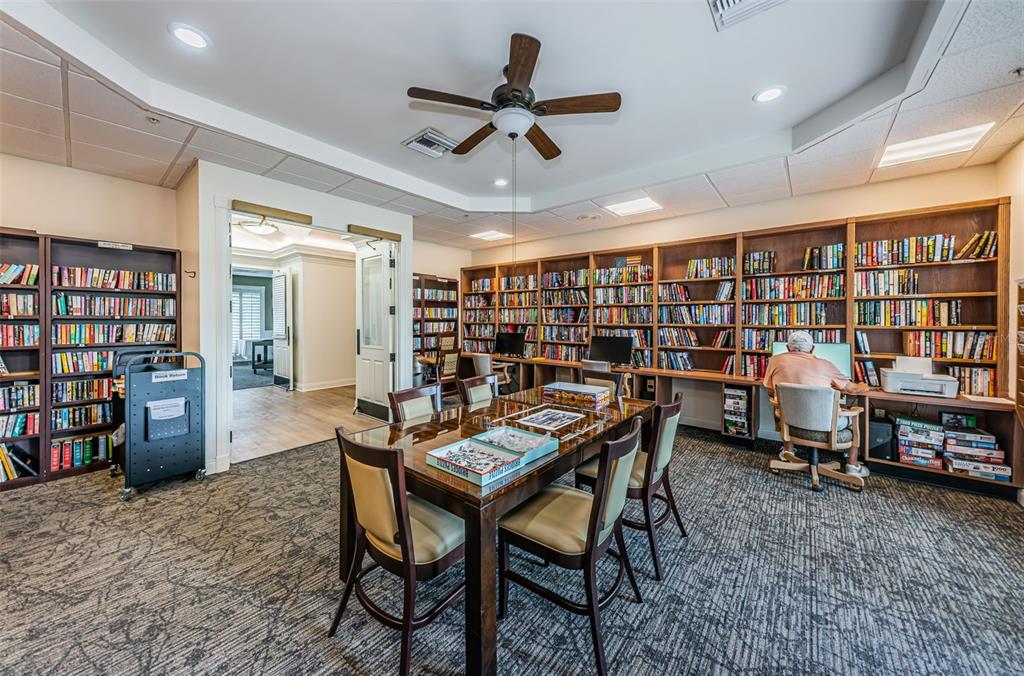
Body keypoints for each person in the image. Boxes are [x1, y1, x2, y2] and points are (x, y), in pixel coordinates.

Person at [763, 331, 870, 477]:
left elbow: (770, 389)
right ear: (812, 349)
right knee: (853, 416)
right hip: (823, 423)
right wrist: (864, 384)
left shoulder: (775, 361)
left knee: (784, 407)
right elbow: (852, 389)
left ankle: (787, 452)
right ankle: (852, 465)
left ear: (788, 348)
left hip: (789, 421)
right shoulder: (826, 365)